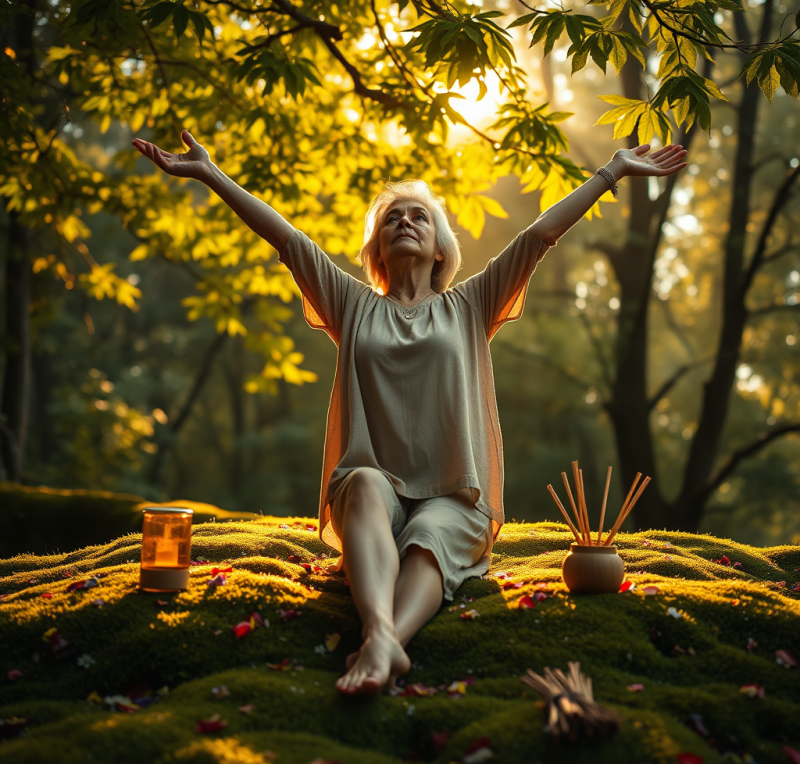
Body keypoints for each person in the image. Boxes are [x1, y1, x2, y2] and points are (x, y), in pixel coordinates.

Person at [133, 130, 687, 695]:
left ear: (442, 247)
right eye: (393, 218)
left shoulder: (471, 305)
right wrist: (209, 173)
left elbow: (538, 234)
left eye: (419, 216)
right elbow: (288, 240)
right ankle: (382, 638)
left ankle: (380, 644)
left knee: (428, 536)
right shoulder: (351, 305)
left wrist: (613, 171)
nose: (405, 222)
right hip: (373, 495)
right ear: (375, 250)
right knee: (367, 482)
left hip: (455, 498)